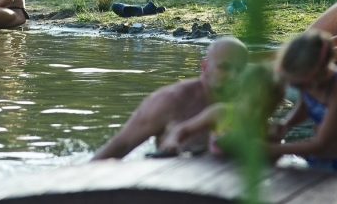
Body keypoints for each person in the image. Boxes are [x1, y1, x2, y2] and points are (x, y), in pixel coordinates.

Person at [92, 37, 248, 160]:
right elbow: (121, 146)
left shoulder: (250, 102)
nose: (233, 76)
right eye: (224, 67)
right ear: (205, 66)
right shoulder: (170, 100)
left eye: (239, 70)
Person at [269, 31, 337, 175]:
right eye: (296, 85)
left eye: (300, 84)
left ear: (319, 72)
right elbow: (305, 107)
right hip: (316, 160)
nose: (301, 88)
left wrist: (273, 149)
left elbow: (321, 144)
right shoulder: (309, 82)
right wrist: (285, 124)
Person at [160, 64, 285, 157]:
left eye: (268, 109)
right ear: (242, 94)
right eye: (254, 104)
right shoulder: (221, 113)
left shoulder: (267, 128)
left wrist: (274, 141)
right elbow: (183, 128)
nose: (258, 113)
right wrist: (172, 141)